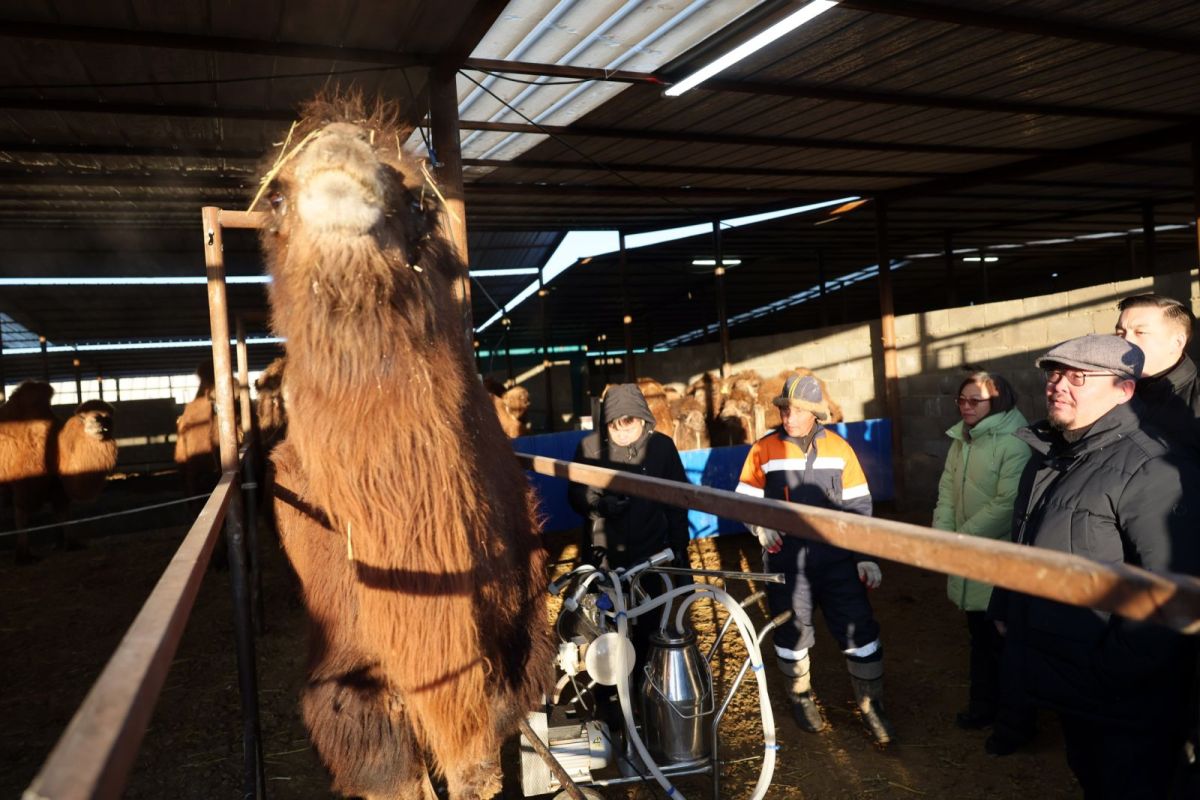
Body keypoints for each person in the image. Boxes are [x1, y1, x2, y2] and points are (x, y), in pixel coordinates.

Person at [988, 334, 1200, 799]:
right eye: (1054, 373)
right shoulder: (1054, 455)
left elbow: (1170, 595)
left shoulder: (1155, 470)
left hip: (1122, 696)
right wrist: (1006, 608)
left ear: (1124, 389)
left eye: (1077, 376)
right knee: (1090, 776)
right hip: (1071, 679)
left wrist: (1109, 670)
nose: (1058, 385)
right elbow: (1026, 542)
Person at [736, 372, 893, 745]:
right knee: (792, 631)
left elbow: (858, 506)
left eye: (797, 410)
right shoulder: (764, 449)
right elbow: (744, 497)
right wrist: (759, 526)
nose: (789, 416)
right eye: (785, 409)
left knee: (859, 629)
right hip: (787, 563)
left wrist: (864, 557)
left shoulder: (840, 450)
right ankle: (800, 697)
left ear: (815, 413)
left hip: (838, 561)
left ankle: (872, 706)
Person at [932, 371, 1031, 740]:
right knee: (980, 639)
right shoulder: (962, 439)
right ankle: (983, 708)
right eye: (962, 400)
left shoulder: (1014, 443)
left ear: (998, 401)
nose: (967, 407)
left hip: (997, 560)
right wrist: (943, 536)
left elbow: (1007, 505)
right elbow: (945, 490)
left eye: (976, 401)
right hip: (968, 556)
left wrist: (960, 538)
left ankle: (1014, 725)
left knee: (1006, 646)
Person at [568, 383, 691, 668]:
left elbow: (677, 499)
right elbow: (576, 493)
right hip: (604, 557)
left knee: (652, 627)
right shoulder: (589, 447)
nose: (622, 433)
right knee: (607, 633)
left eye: (629, 425)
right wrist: (599, 505)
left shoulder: (661, 447)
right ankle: (611, 700)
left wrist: (681, 552)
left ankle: (648, 687)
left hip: (652, 555)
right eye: (614, 427)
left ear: (643, 419)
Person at [1115, 292, 1200, 451]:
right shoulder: (1108, 390)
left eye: (1140, 332)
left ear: (1177, 342)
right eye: (1120, 333)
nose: (1125, 342)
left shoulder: (1194, 405)